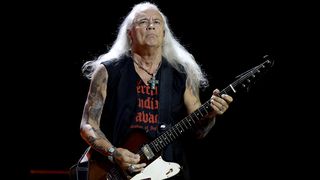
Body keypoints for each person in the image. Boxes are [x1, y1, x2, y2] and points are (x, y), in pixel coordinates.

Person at [79, 2, 233, 180]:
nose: (151, 25)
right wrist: (114, 153)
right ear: (130, 33)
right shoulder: (108, 71)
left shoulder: (182, 74)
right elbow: (88, 125)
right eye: (143, 21)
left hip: (168, 170)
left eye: (156, 22)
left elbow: (199, 132)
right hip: (118, 171)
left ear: (164, 33)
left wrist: (210, 115)